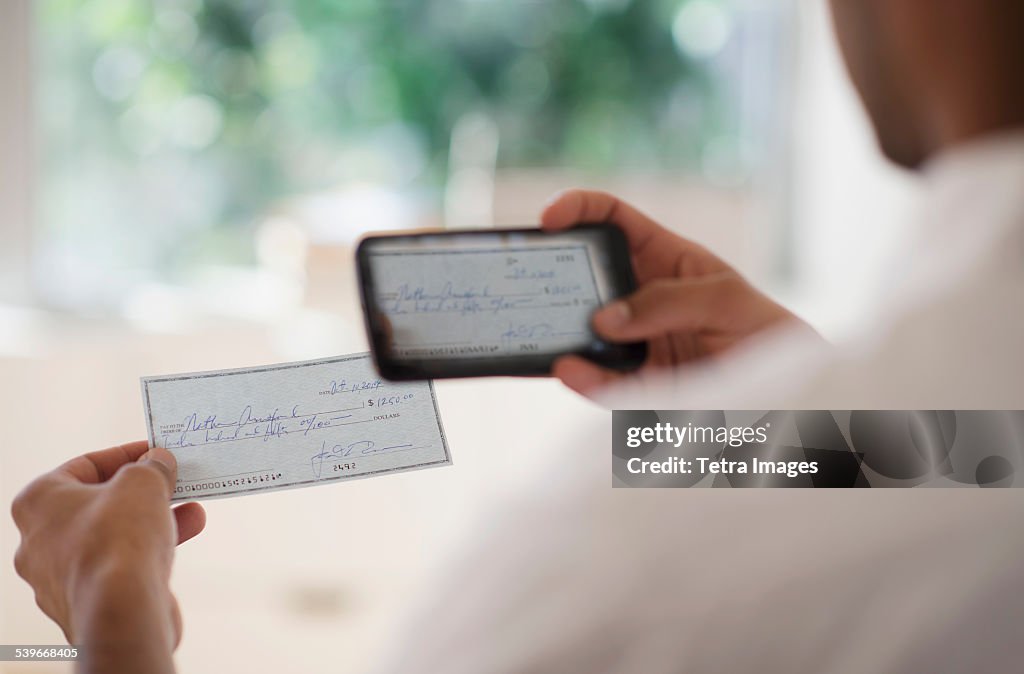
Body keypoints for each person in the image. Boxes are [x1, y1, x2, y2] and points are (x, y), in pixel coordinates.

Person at [12, 0, 1024, 671]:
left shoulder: (633, 556)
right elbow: (987, 460)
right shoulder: (963, 439)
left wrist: (110, 602)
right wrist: (804, 416)